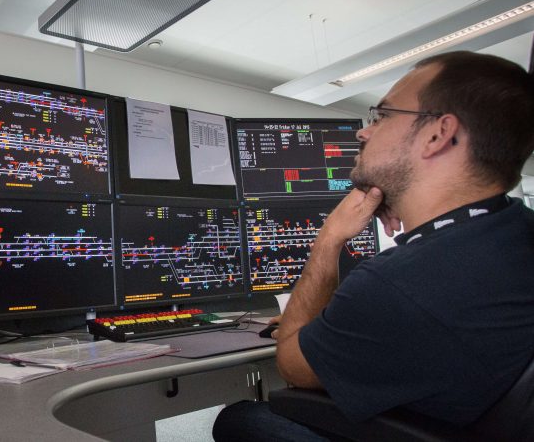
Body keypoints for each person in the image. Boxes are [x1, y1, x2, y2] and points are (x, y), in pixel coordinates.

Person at [213, 51, 534, 441]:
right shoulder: (514, 230)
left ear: (437, 134)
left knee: (242, 418)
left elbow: (293, 365)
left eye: (382, 116)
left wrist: (329, 238)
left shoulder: (398, 281)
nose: (364, 132)